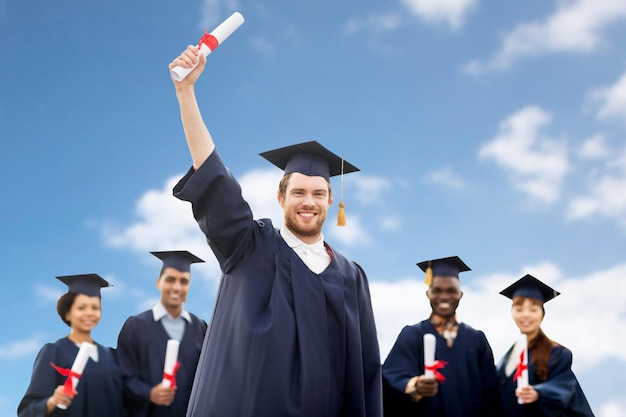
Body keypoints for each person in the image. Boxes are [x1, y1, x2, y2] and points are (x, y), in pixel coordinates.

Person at [167, 45, 382, 417]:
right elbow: (214, 175)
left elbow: (364, 374)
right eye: (298, 192)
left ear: (331, 200)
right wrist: (186, 93)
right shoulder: (248, 247)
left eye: (318, 193)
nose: (308, 202)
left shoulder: (352, 276)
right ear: (280, 197)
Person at [382, 256, 499, 417]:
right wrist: (414, 386)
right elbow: (391, 377)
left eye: (451, 291)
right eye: (437, 290)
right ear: (428, 294)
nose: (444, 297)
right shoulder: (411, 335)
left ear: (460, 294)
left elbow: (491, 392)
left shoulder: (477, 340)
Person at [116, 250, 208, 417]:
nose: (177, 287)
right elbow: (122, 376)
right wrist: (149, 393)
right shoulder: (135, 326)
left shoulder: (199, 327)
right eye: (170, 280)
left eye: (184, 281)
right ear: (159, 283)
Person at [18, 274, 124, 417]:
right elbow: (27, 412)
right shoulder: (54, 352)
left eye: (95, 307)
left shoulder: (111, 356)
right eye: (81, 307)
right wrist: (53, 401)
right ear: (68, 313)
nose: (89, 313)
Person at [496, 274, 595, 416]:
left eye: (533, 309)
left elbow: (563, 386)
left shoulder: (557, 353)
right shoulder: (510, 356)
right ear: (512, 313)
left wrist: (538, 393)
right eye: (519, 309)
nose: (526, 315)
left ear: (542, 314)